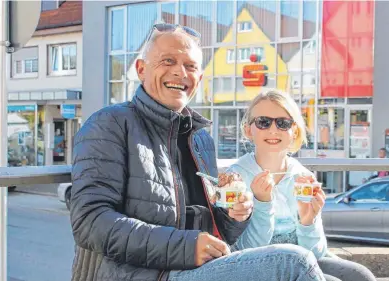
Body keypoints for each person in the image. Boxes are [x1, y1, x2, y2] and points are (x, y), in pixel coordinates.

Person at [69, 24, 325, 281]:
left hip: (199, 270)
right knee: (295, 262)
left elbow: (218, 234)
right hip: (145, 275)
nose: (180, 72)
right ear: (141, 69)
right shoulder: (109, 124)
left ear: (199, 78)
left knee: (350, 275)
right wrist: (187, 247)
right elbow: (90, 222)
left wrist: (235, 215)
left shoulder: (201, 139)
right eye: (168, 61)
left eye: (190, 66)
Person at [227, 90, 377, 281]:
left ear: (294, 131)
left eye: (283, 123)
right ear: (249, 129)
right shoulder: (235, 178)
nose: (273, 130)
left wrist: (308, 221)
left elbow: (315, 252)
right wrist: (262, 204)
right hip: (255, 267)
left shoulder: (303, 177)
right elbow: (246, 252)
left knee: (361, 276)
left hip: (301, 263)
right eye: (263, 122)